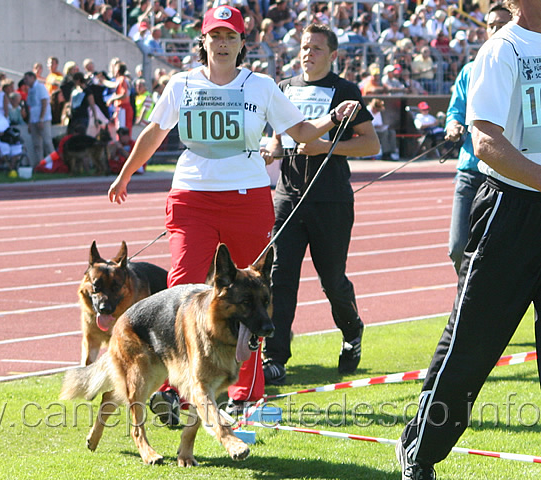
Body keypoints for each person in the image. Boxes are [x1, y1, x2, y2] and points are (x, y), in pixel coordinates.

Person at [108, 5, 359, 416]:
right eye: (215, 36)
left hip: (247, 200)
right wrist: (126, 173)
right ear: (203, 41)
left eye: (230, 37)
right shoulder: (180, 84)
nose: (222, 43)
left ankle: (248, 393)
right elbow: (154, 131)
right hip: (192, 197)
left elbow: (299, 132)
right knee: (184, 286)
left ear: (243, 43)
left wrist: (333, 118)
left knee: (251, 296)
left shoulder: (260, 86)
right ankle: (178, 389)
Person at [396, 1, 541, 478]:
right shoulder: (503, 50)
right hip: (511, 210)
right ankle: (419, 451)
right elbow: (485, 141)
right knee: (471, 344)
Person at [261, 23, 380, 385]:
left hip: (330, 201)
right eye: (303, 47)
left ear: (332, 55)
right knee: (280, 278)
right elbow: (278, 135)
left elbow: (370, 144)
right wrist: (273, 146)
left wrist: (326, 146)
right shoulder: (285, 88)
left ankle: (351, 330)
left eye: (315, 48)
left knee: (332, 281)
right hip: (287, 197)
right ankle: (275, 357)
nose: (307, 53)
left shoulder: (345, 91)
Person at [445, 4, 512, 274]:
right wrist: (453, 126)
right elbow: (455, 110)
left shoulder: (518, 66)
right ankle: (467, 295)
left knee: (501, 249)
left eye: (502, 25)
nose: (495, 30)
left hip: (504, 173)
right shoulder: (470, 70)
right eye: (491, 25)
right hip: (470, 172)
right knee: (458, 246)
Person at [22, 71, 55, 163]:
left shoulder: (40, 87)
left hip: (43, 119)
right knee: (37, 144)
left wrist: (41, 118)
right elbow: (30, 107)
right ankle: (41, 163)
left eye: (27, 78)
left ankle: (54, 162)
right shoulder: (30, 90)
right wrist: (29, 122)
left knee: (47, 142)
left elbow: (44, 102)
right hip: (33, 119)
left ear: (33, 77)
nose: (25, 81)